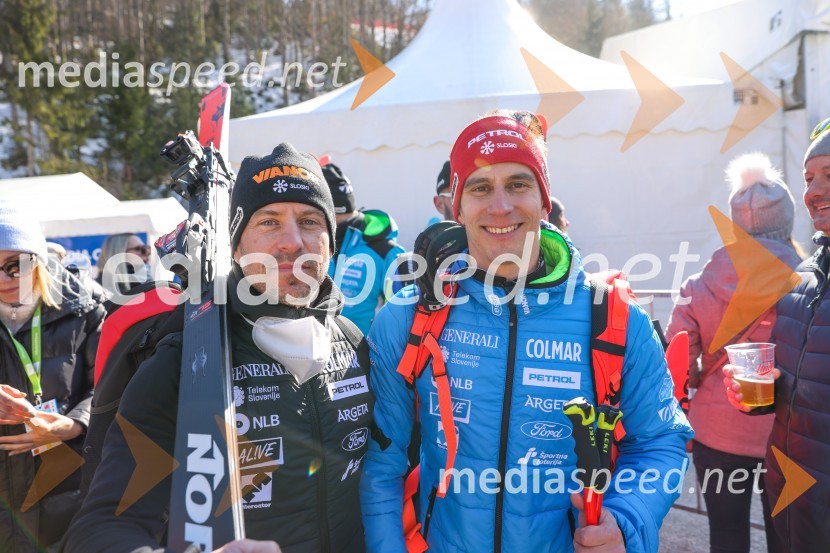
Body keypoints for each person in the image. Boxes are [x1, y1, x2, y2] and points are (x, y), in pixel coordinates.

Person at [360, 110, 693, 553]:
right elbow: (382, 464)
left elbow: (659, 441)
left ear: (544, 199)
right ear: (455, 206)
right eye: (480, 187)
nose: (500, 206)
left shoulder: (613, 316)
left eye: (518, 184)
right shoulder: (412, 316)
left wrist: (627, 518)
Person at [63, 144, 372, 553]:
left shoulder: (352, 345)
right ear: (238, 247)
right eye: (269, 221)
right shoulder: (190, 359)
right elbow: (101, 529)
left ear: (331, 243)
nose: (293, 242)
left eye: (311, 221)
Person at [667, 153, 799, 553]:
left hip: (716, 431)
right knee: (787, 536)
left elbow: (678, 357)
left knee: (725, 534)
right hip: (789, 435)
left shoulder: (697, 282)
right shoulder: (812, 282)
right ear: (787, 222)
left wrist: (695, 383)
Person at [724, 118, 830, 552]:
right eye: (809, 178)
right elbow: (798, 390)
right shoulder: (801, 281)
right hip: (791, 493)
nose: (815, 190)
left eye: (829, 176)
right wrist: (759, 393)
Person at [0, 201, 106, 552]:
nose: (4, 279)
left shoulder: (86, 310)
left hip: (70, 495)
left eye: (15, 265)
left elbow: (112, 387)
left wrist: (74, 425)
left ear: (38, 261)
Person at [322, 162, 406, 334]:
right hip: (319, 354)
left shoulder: (385, 252)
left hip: (369, 358)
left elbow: (405, 319)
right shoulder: (314, 246)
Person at [95, 232, 153, 296]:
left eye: (145, 247)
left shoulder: (144, 282)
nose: (147, 252)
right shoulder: (99, 290)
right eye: (138, 248)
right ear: (118, 253)